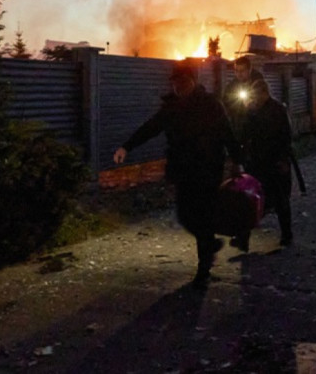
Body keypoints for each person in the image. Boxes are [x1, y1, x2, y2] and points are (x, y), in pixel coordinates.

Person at [113, 61, 243, 289]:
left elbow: (226, 132)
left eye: (183, 82)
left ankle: (204, 268)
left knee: (202, 216)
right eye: (175, 83)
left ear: (193, 82)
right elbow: (151, 127)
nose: (178, 87)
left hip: (207, 169)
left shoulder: (210, 104)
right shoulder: (171, 108)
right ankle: (210, 244)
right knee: (185, 215)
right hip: (182, 170)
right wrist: (126, 146)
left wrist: (237, 162)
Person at [236, 78, 294, 250]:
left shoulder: (277, 110)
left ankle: (286, 235)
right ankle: (243, 239)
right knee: (250, 200)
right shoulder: (252, 111)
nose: (254, 98)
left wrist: (283, 160)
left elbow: (286, 137)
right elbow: (244, 134)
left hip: (274, 162)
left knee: (280, 200)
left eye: (256, 95)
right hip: (256, 163)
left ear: (264, 93)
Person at [223, 55, 264, 141]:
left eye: (242, 71)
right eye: (236, 71)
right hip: (238, 128)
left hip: (257, 130)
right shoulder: (231, 87)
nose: (239, 74)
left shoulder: (259, 85)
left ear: (249, 70)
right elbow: (226, 105)